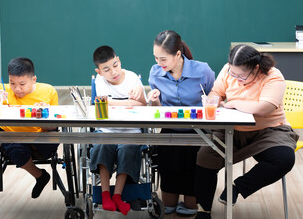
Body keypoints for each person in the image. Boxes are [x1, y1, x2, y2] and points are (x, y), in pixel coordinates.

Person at [194, 44, 299, 219]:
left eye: (240, 75)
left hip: (269, 130)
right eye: (232, 73)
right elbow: (217, 92)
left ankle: (237, 187)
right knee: (205, 156)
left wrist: (234, 103)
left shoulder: (273, 76)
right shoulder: (228, 69)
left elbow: (263, 108)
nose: (234, 77)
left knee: (284, 158)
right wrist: (212, 99)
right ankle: (203, 211)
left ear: (256, 68)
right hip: (232, 130)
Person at [0, 57, 59, 199]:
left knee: (45, 142)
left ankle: (39, 174)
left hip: (41, 138)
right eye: (12, 83)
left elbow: (53, 128)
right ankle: (40, 175)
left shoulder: (48, 91)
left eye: (22, 84)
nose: (17, 88)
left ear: (34, 80)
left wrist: (43, 116)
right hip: (13, 138)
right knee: (15, 149)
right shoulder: (3, 90)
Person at [146, 30, 215, 216]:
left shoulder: (202, 71)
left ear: (178, 54)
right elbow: (158, 112)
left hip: (198, 133)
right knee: (168, 206)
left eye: (163, 59)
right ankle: (172, 194)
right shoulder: (155, 73)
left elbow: (215, 97)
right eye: (156, 58)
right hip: (170, 132)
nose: (159, 64)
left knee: (192, 204)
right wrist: (154, 100)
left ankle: (194, 201)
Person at [89, 45, 146, 215]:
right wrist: (129, 102)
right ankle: (106, 194)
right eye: (106, 69)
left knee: (127, 149)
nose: (113, 71)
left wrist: (115, 102)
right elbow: (102, 104)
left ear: (119, 60)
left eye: (115, 65)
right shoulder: (99, 81)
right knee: (102, 146)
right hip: (106, 131)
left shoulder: (133, 78)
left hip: (131, 132)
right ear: (99, 72)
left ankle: (117, 196)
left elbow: (142, 104)